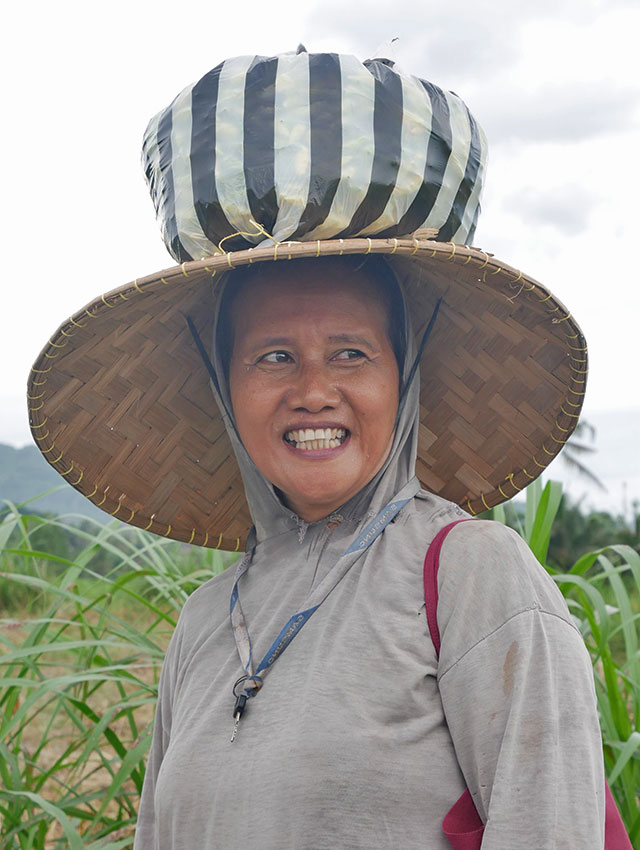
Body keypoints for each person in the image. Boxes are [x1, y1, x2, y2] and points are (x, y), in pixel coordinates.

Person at [28, 51, 611, 848]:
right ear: (225, 388)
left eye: (350, 353)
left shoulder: (474, 575)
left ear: (403, 379)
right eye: (273, 357)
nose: (313, 390)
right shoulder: (204, 623)